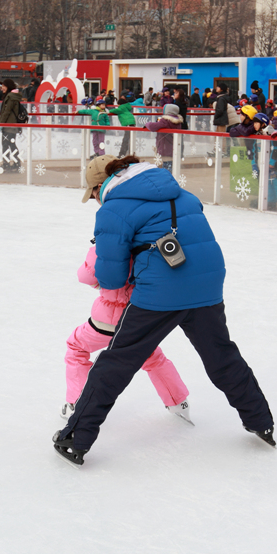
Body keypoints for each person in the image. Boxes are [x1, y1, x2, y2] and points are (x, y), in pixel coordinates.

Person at [52, 154, 275, 466]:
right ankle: (261, 420)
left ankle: (75, 438)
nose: (95, 201)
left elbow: (111, 278)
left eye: (92, 194)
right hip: (207, 284)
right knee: (221, 355)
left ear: (102, 186)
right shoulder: (184, 195)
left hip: (161, 292)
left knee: (116, 362)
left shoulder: (113, 210)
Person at [62, 164, 191, 424]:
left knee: (76, 347)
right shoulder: (150, 225)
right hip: (138, 315)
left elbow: (87, 275)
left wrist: (100, 282)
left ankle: (76, 402)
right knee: (151, 355)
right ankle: (178, 401)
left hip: (105, 321)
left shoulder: (111, 233)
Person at [249, 112, 277, 212]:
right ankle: (270, 203)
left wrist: (272, 162)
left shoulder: (270, 131)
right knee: (267, 186)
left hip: (273, 167)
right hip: (262, 166)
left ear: (263, 124)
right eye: (254, 123)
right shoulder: (257, 135)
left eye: (256, 123)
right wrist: (254, 164)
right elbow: (254, 151)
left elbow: (276, 147)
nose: (254, 125)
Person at [145, 103, 183, 171]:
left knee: (166, 168)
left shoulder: (165, 120)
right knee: (170, 166)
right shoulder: (177, 121)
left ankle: (167, 180)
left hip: (165, 148)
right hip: (173, 147)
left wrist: (147, 124)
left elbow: (153, 127)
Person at [0, 78, 22, 171]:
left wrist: (0, 124)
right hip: (11, 125)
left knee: (6, 145)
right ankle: (15, 163)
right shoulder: (12, 96)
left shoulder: (11, 96)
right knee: (10, 144)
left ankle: (7, 164)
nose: (2, 88)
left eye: (4, 86)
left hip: (9, 125)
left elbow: (6, 112)